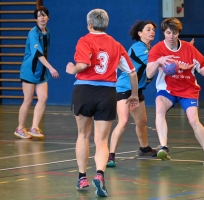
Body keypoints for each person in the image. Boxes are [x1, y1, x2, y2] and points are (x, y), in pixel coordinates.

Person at [66, 9, 139, 197]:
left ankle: (82, 177)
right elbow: (132, 72)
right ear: (106, 24)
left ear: (89, 24)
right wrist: (135, 95)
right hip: (107, 92)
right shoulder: (116, 45)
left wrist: (72, 68)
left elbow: (82, 65)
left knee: (83, 135)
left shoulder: (85, 40)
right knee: (102, 140)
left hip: (84, 90)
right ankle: (99, 174)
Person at [146, 17, 204, 165]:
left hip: (187, 89)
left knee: (193, 120)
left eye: (175, 33)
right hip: (167, 88)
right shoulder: (157, 49)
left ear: (179, 33)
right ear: (164, 32)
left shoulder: (188, 48)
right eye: (169, 32)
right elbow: (148, 74)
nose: (171, 36)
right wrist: (159, 61)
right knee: (159, 108)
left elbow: (200, 65)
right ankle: (163, 146)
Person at [107, 20, 158, 167]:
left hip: (137, 89)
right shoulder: (138, 48)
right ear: (140, 33)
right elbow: (153, 64)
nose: (152, 31)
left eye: (153, 29)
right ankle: (111, 156)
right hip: (124, 88)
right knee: (123, 121)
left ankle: (144, 149)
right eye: (148, 29)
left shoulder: (151, 49)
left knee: (141, 122)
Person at [14, 6, 59, 139]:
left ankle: (34, 128)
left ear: (48, 17)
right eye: (39, 15)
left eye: (44, 15)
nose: (42, 17)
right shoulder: (33, 33)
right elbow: (38, 53)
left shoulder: (47, 32)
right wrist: (51, 68)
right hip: (29, 71)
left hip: (41, 71)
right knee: (27, 100)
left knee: (43, 98)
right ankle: (20, 128)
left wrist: (46, 69)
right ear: (36, 19)